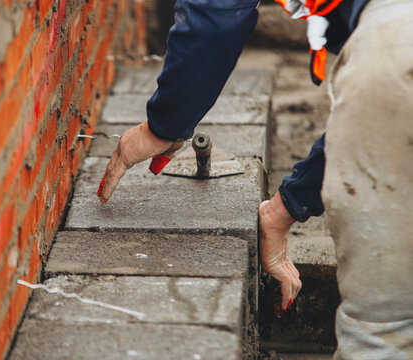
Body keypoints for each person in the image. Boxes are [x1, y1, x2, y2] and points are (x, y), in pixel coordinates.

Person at [98, 0, 413, 358]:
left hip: (396, 45)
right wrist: (284, 208)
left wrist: (165, 124)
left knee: (385, 332)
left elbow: (217, 17)